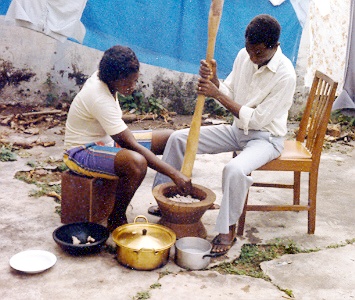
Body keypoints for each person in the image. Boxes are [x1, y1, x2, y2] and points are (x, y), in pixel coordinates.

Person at [152, 14, 296, 254]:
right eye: (249, 50)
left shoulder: (286, 75)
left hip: (266, 138)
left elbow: (258, 119)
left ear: (275, 46)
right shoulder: (244, 56)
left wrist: (216, 94)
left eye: (258, 53)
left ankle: (227, 229)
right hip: (237, 129)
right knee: (178, 139)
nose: (252, 57)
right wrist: (215, 81)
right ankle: (165, 200)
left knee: (234, 169)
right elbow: (229, 90)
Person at [63, 45, 192, 232]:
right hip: (80, 152)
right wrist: (175, 174)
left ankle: (164, 198)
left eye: (135, 81)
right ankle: (116, 217)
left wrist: (174, 175)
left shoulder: (106, 76)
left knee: (171, 137)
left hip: (106, 141)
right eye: (126, 84)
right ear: (112, 78)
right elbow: (129, 144)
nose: (132, 88)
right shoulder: (98, 96)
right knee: (137, 163)